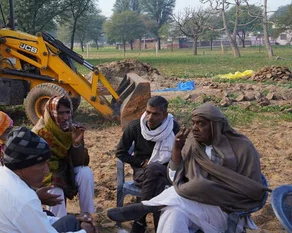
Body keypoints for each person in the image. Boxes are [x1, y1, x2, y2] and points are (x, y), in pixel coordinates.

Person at [107, 103, 268, 233]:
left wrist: (214, 190)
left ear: (215, 126)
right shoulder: (193, 144)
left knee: (199, 185)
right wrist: (177, 149)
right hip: (192, 201)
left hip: (225, 209)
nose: (195, 128)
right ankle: (148, 207)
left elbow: (252, 188)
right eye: (194, 123)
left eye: (201, 124)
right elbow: (174, 178)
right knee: (173, 212)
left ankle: (146, 207)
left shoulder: (242, 147)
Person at [0, 126, 98, 233]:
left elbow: (32, 219)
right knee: (77, 226)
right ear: (20, 167)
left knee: (70, 221)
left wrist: (76, 220)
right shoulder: (23, 198)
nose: (47, 171)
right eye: (41, 164)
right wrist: (85, 231)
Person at [115, 95, 179, 232]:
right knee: (158, 182)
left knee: (154, 168)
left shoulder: (173, 127)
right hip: (142, 172)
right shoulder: (135, 126)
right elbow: (120, 153)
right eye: (148, 112)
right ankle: (158, 227)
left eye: (155, 114)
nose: (150, 117)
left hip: (166, 170)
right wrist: (140, 162)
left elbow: (181, 153)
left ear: (165, 114)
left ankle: (139, 221)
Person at [32, 95, 95, 218]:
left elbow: (80, 162)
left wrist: (76, 143)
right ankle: (58, 223)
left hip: (67, 170)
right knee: (56, 190)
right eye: (61, 113)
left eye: (68, 112)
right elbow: (37, 166)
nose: (65, 117)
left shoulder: (72, 130)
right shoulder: (40, 133)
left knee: (86, 173)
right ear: (52, 113)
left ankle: (87, 215)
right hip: (48, 175)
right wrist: (58, 173)